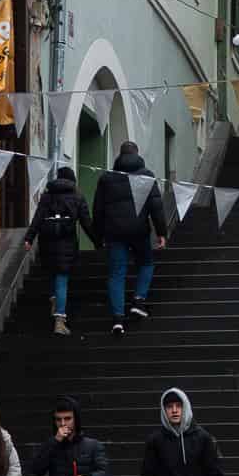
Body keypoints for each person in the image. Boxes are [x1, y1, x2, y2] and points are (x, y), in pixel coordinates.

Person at [91, 140, 168, 336]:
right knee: (146, 264)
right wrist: (161, 233)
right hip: (139, 231)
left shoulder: (106, 179)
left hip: (114, 233)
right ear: (137, 154)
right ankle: (138, 300)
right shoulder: (147, 176)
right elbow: (156, 208)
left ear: (119, 155)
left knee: (117, 273)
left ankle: (118, 319)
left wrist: (97, 238)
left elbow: (98, 211)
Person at [25, 166, 94, 336]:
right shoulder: (77, 197)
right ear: (73, 180)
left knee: (53, 272)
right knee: (62, 278)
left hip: (47, 242)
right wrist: (98, 241)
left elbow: (38, 218)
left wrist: (29, 237)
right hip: (67, 243)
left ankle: (54, 299)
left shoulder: (47, 196)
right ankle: (60, 321)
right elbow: (86, 222)